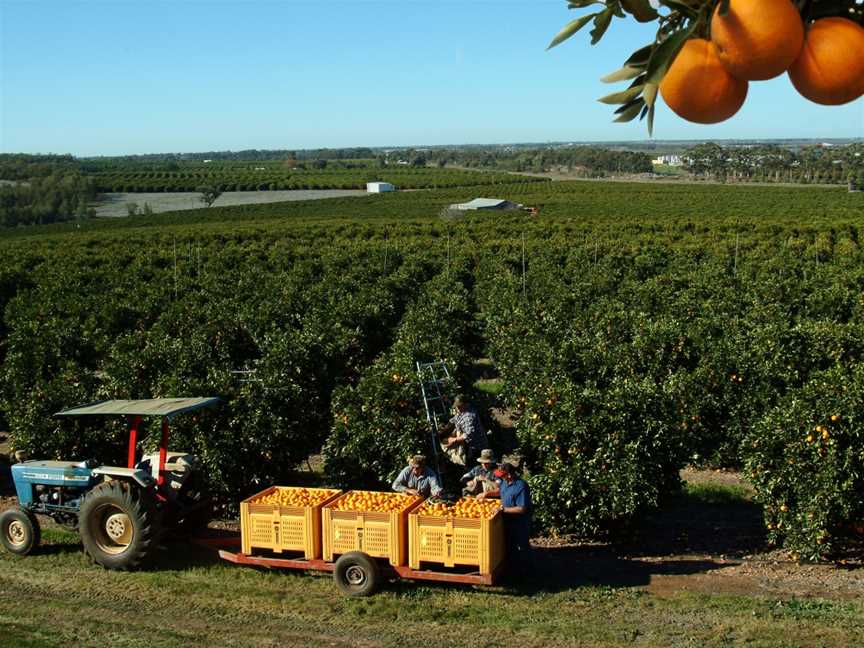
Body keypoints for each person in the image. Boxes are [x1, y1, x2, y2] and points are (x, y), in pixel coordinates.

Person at [480, 462, 532, 575]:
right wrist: (486, 494)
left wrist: (503, 510)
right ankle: (511, 571)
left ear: (509, 475)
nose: (499, 477)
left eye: (502, 475)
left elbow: (521, 509)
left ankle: (526, 574)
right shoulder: (505, 482)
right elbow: (500, 492)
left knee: (521, 547)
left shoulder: (521, 486)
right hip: (507, 520)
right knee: (509, 547)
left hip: (519, 523)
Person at [438, 394, 489, 466]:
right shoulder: (461, 411)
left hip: (477, 447)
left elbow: (469, 434)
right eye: (457, 406)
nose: (457, 408)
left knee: (475, 464)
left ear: (466, 404)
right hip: (470, 445)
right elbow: (455, 419)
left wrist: (454, 440)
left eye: (459, 406)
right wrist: (444, 429)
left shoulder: (469, 416)